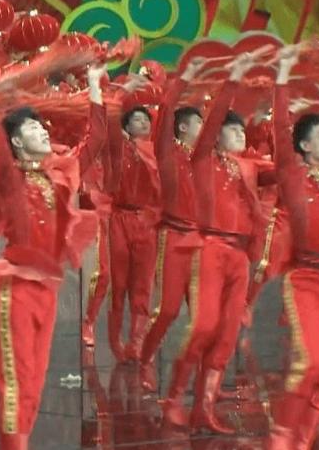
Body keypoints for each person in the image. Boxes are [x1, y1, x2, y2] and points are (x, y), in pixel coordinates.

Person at [0, 66, 106, 450]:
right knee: (15, 381)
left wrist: (94, 85)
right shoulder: (9, 178)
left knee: (35, 383)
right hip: (17, 289)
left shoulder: (56, 176)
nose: (44, 131)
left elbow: (94, 141)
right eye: (33, 128)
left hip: (47, 289)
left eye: (42, 126)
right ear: (15, 141)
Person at [160, 53, 261, 433]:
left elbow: (289, 165)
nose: (241, 136)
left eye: (242, 131)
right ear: (216, 134)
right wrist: (232, 80)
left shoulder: (249, 167)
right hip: (211, 250)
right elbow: (215, 119)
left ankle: (205, 408)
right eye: (234, 131)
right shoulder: (202, 160)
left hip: (239, 258)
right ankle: (174, 398)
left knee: (227, 334)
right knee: (203, 327)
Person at [264, 45, 319, 450]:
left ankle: (303, 439)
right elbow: (279, 130)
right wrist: (283, 75)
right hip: (306, 279)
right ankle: (281, 437)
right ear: (305, 146)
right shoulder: (293, 176)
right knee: (313, 362)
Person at [137, 58, 208, 388]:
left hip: (201, 241)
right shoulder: (169, 153)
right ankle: (145, 360)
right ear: (182, 128)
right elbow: (165, 113)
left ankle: (203, 380)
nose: (205, 129)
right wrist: (183, 80)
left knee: (204, 316)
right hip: (174, 238)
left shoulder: (205, 159)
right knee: (167, 310)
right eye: (199, 124)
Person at [106, 102, 161, 361]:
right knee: (119, 284)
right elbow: (108, 125)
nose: (143, 123)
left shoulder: (157, 152)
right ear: (126, 126)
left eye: (146, 119)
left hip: (147, 222)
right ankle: (115, 340)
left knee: (142, 286)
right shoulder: (119, 149)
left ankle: (137, 342)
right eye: (137, 119)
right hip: (120, 219)